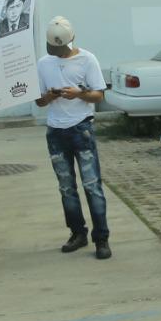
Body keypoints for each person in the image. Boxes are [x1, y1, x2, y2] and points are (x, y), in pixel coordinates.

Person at [35, 16, 111, 259]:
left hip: (81, 128)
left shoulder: (87, 60)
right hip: (56, 130)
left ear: (72, 39)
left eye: (61, 48)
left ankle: (102, 238)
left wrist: (79, 94)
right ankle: (77, 233)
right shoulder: (44, 63)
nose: (58, 53)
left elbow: (99, 96)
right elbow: (39, 101)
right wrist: (50, 96)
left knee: (92, 185)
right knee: (66, 187)